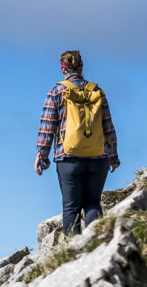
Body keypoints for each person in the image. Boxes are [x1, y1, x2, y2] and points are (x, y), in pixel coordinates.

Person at [34, 50, 120, 234]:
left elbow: (47, 126)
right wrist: (113, 156)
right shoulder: (97, 91)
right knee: (93, 203)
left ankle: (74, 253)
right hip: (99, 156)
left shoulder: (57, 91)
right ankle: (96, 245)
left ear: (62, 68)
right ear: (81, 67)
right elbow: (108, 127)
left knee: (71, 207)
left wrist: (41, 155)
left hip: (68, 158)